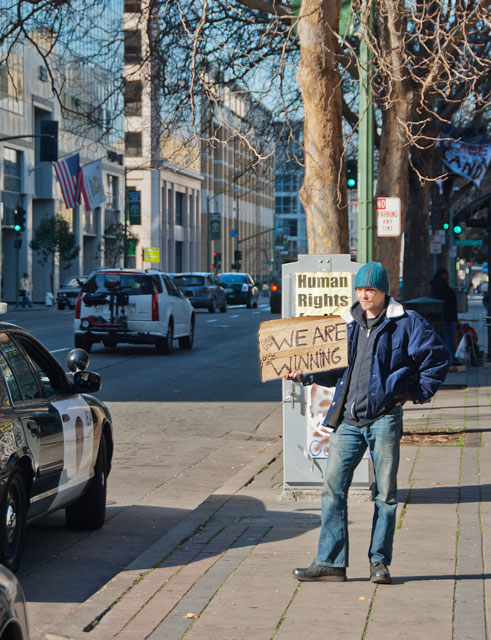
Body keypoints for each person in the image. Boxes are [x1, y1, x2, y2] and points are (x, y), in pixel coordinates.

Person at [287, 262, 450, 584]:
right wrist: (306, 376)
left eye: (370, 290)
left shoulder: (406, 323)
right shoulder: (345, 325)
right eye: (360, 289)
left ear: (384, 291)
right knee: (332, 490)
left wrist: (414, 392)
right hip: (348, 421)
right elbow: (333, 370)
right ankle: (330, 562)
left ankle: (379, 562)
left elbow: (438, 359)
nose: (364, 295)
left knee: (385, 495)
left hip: (384, 419)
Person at [430, 266, 458, 358]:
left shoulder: (435, 285)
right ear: (443, 274)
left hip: (442, 315)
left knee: (445, 336)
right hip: (448, 315)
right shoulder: (443, 285)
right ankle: (450, 356)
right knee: (449, 337)